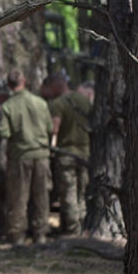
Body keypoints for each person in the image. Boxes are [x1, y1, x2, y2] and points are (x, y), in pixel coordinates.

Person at [0, 69, 53, 245]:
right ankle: (41, 234)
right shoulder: (41, 103)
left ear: (8, 85)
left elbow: (3, 132)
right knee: (41, 196)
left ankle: (18, 236)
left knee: (19, 197)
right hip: (42, 155)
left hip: (20, 156)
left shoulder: (8, 106)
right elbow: (50, 127)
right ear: (25, 81)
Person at [46, 72, 92, 237]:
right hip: (85, 153)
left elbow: (54, 129)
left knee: (69, 195)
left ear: (57, 84)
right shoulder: (84, 101)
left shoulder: (58, 104)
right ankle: (82, 226)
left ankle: (74, 231)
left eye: (51, 86)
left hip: (66, 154)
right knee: (81, 194)